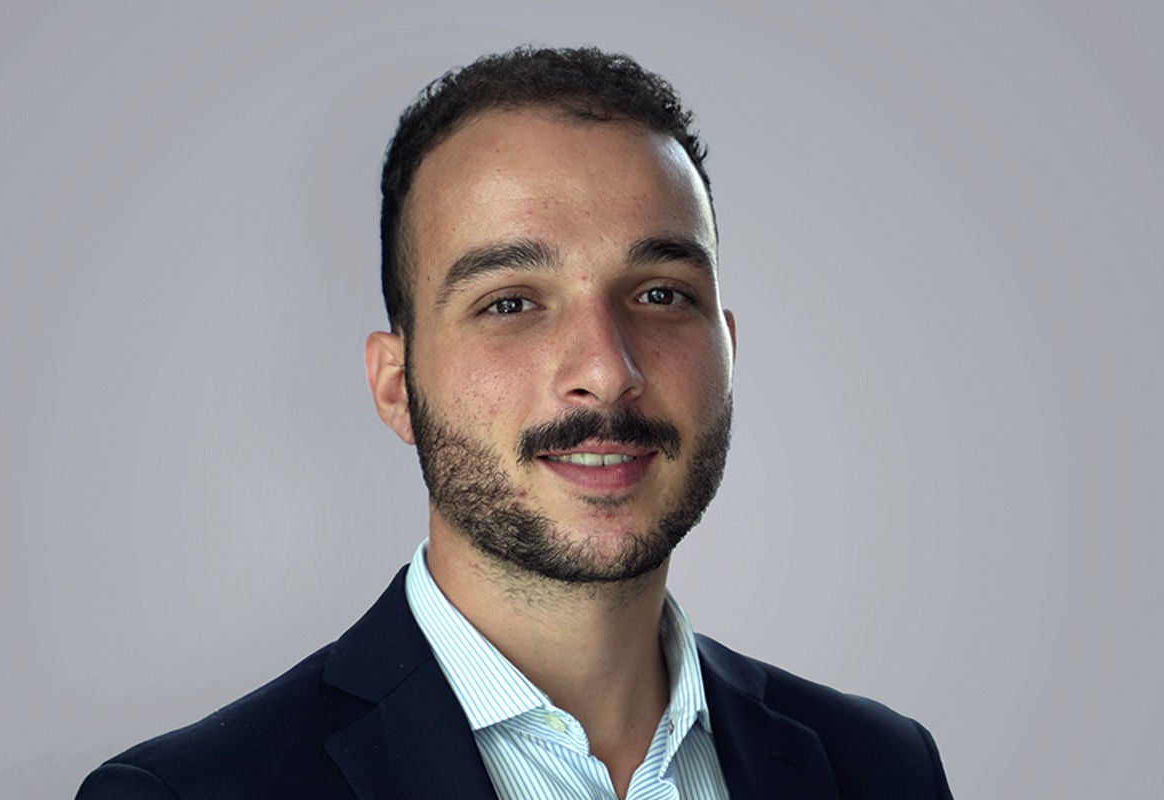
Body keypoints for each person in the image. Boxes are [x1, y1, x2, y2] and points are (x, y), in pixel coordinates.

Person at [77, 46, 952, 799]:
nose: (606, 369)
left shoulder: (882, 767)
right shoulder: (187, 793)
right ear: (396, 386)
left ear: (727, 350)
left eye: (660, 294)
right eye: (510, 303)